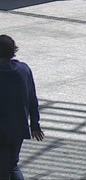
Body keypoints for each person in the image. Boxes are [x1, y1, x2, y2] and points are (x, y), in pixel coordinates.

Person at [0, 35, 45, 180]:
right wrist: (35, 125)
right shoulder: (24, 70)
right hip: (18, 128)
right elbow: (32, 98)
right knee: (12, 165)